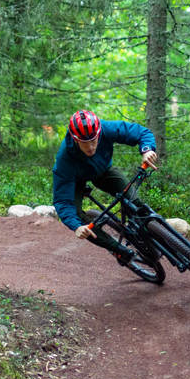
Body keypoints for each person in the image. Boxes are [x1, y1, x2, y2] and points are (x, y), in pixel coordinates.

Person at [51, 110, 158, 265]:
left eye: (94, 140)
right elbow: (62, 201)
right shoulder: (64, 159)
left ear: (98, 133)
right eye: (84, 142)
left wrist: (147, 150)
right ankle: (118, 249)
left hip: (104, 170)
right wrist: (76, 227)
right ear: (75, 139)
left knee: (133, 201)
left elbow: (141, 132)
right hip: (76, 180)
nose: (90, 146)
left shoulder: (106, 128)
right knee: (80, 220)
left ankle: (149, 235)